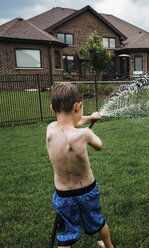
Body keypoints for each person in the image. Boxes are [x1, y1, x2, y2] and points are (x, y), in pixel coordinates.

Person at [46, 82, 113, 248]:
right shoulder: (85, 134)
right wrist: (89, 130)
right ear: (78, 106)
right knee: (98, 220)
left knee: (65, 234)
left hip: (63, 195)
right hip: (86, 191)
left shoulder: (50, 129)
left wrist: (90, 117)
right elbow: (99, 145)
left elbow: (71, 123)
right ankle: (109, 247)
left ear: (52, 109)